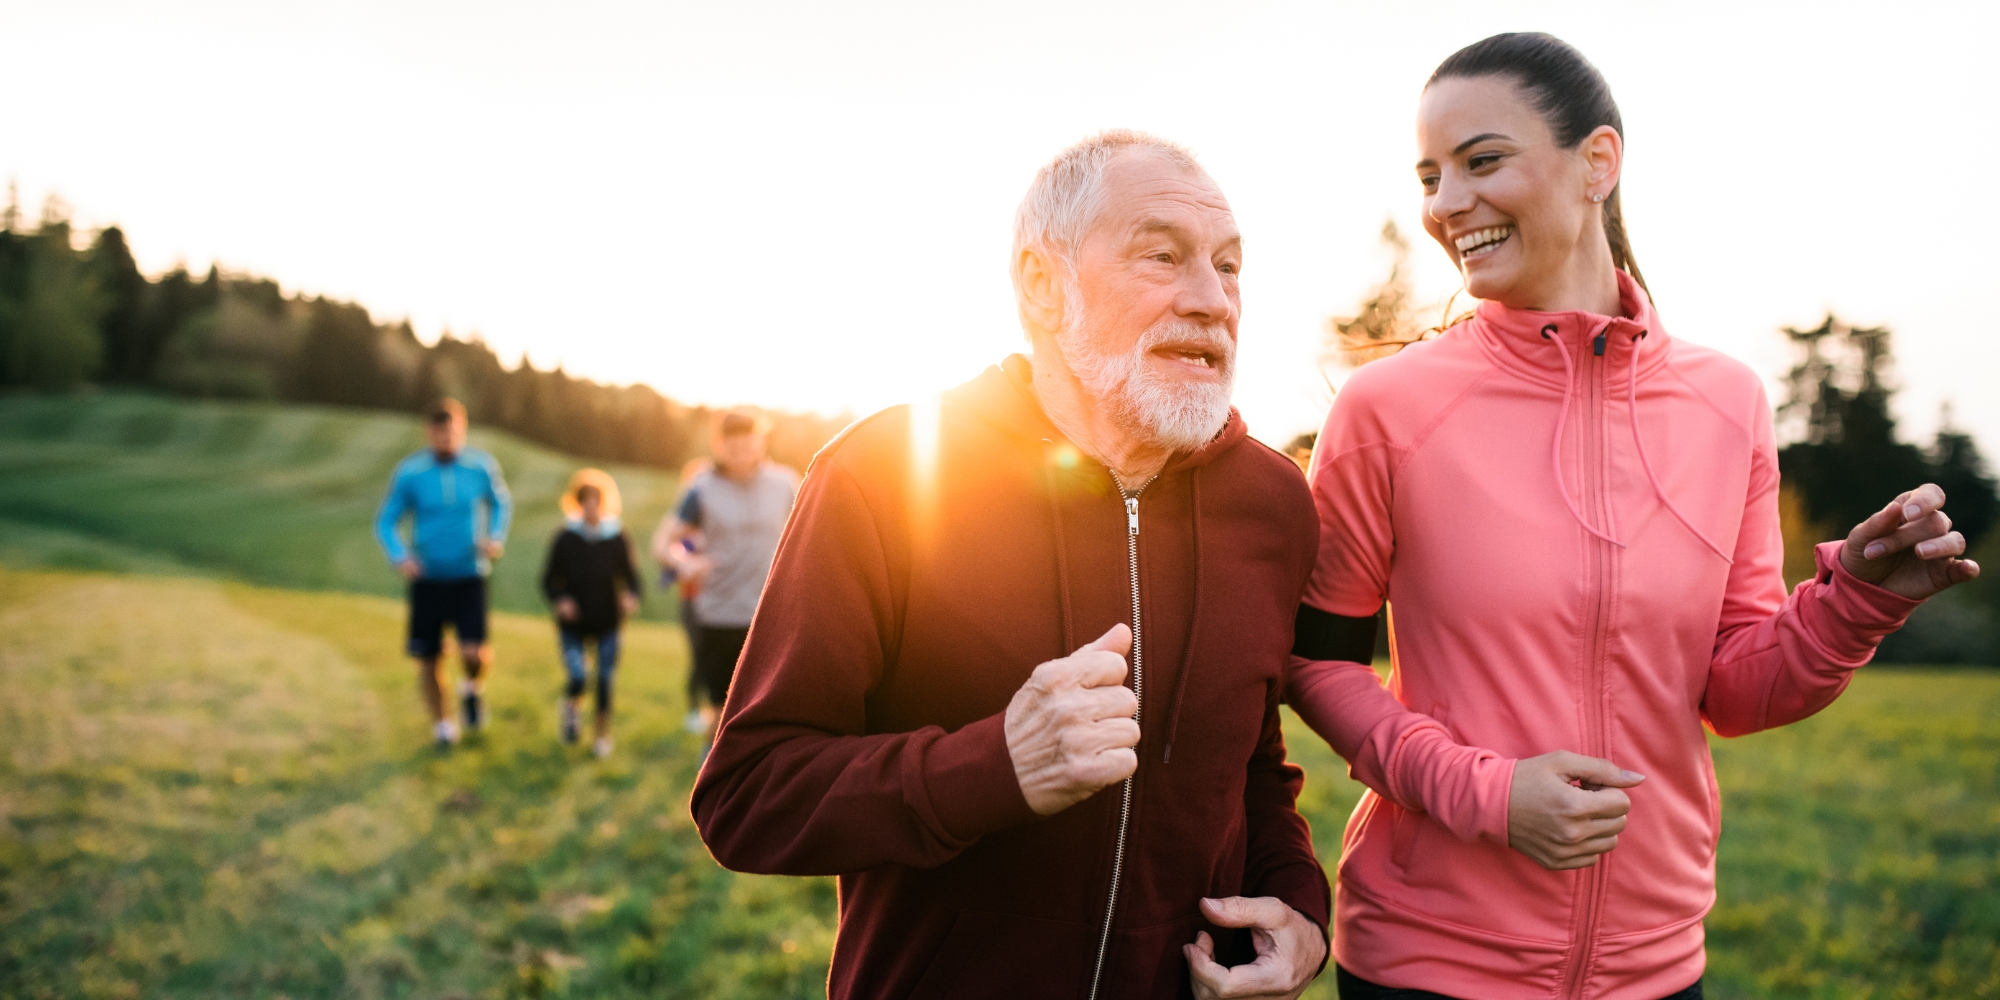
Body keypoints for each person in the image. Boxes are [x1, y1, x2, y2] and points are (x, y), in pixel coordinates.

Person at [1285, 34, 1981, 1000]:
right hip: (1428, 961)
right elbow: (1317, 664)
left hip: (1654, 968)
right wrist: (1487, 794)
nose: (1446, 205)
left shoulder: (1726, 401)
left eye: (1482, 162)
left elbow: (1733, 689)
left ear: (1598, 164)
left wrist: (1852, 605)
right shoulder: (1386, 410)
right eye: (1431, 175)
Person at [692, 131, 1330, 1000]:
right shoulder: (884, 475)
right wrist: (996, 767)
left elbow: (1252, 767)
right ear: (1041, 284)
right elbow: (748, 795)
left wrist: (1301, 911)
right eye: (1162, 257)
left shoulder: (1276, 504)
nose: (1212, 299)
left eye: (1229, 265)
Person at [374, 398, 513, 748]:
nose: (445, 440)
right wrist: (400, 556)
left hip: (469, 575)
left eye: (451, 433)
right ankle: (443, 726)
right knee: (429, 658)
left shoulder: (480, 467)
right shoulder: (411, 473)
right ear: (429, 433)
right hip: (427, 578)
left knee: (473, 653)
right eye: (438, 434)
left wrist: (495, 537)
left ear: (461, 431)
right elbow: (386, 521)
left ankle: (470, 686)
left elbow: (501, 503)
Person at [656, 414, 799, 744]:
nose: (741, 456)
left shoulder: (785, 484)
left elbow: (807, 534)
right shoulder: (702, 488)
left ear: (761, 442)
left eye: (748, 446)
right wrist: (684, 562)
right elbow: (662, 543)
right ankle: (710, 767)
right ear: (719, 447)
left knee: (767, 709)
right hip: (719, 613)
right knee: (721, 709)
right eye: (733, 449)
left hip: (770, 614)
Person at [541, 469, 642, 758]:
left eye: (596, 500)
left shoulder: (617, 537)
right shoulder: (565, 538)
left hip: (608, 621)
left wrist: (631, 597)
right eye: (586, 500)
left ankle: (601, 736)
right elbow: (548, 579)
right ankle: (571, 709)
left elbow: (632, 578)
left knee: (605, 680)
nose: (591, 507)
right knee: (578, 675)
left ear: (605, 502)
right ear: (576, 503)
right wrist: (561, 599)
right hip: (573, 623)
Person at [653, 456, 715, 735]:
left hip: (722, 601)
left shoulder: (718, 521)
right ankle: (694, 708)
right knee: (700, 655)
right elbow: (667, 566)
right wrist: (686, 561)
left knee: (715, 657)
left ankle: (715, 711)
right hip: (692, 600)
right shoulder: (684, 527)